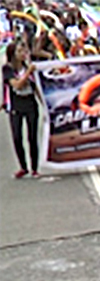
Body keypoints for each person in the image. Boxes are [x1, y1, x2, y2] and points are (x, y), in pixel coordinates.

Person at [3, 39, 40, 178]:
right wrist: (28, 73)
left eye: (24, 51)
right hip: (16, 104)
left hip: (30, 103)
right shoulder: (8, 69)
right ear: (13, 54)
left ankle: (34, 168)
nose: (23, 54)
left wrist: (45, 107)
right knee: (17, 136)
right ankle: (23, 167)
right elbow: (16, 85)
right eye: (19, 51)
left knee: (32, 136)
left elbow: (36, 88)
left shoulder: (28, 66)